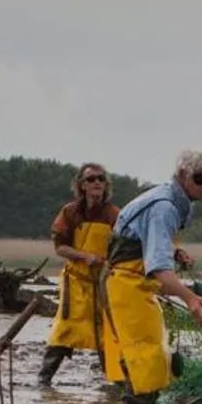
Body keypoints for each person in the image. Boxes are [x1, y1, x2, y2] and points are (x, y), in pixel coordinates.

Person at [99, 150, 202, 404]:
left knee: (153, 357)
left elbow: (144, 242)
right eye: (200, 178)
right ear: (183, 176)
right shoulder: (164, 207)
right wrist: (191, 299)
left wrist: (175, 251)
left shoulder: (170, 199)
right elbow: (160, 271)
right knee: (145, 359)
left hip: (135, 286)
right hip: (126, 287)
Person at [38, 164, 120, 386]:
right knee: (65, 329)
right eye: (91, 179)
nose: (96, 183)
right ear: (82, 185)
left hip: (103, 284)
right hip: (75, 281)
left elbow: (123, 246)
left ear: (106, 184)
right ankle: (44, 379)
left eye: (101, 179)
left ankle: (115, 382)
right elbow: (60, 247)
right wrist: (84, 256)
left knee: (107, 331)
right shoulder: (70, 212)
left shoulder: (114, 215)